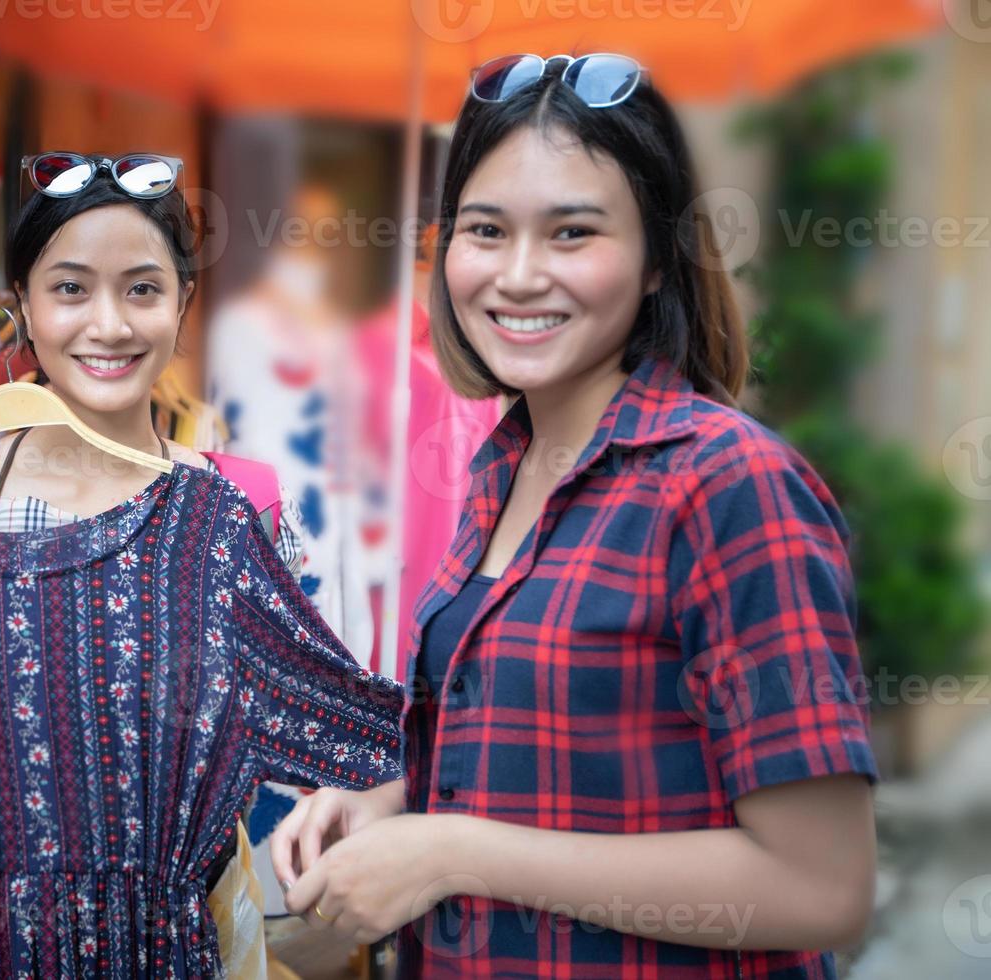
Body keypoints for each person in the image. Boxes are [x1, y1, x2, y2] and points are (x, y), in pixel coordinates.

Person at [271, 53, 879, 979]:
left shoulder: (728, 485)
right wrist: (396, 806)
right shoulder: (500, 469)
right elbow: (561, 765)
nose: (518, 276)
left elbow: (820, 887)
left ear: (653, 263)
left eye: (572, 233)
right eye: (486, 229)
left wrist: (448, 851)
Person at [0, 153, 382, 978]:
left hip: (168, 948)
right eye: (70, 289)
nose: (108, 325)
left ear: (183, 306)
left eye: (142, 289)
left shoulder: (232, 513)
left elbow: (358, 737)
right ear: (24, 310)